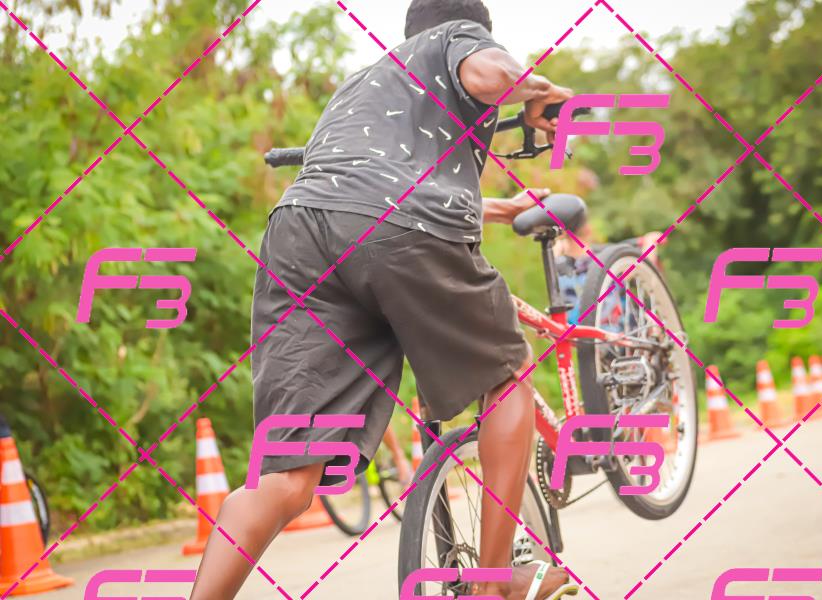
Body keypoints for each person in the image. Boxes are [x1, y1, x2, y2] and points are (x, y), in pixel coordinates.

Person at [190, 1, 577, 598]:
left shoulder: (362, 82)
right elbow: (490, 74)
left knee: (287, 476)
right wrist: (541, 93)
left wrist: (498, 208)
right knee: (508, 375)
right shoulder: (457, 37)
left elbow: (372, 188)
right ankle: (494, 581)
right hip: (396, 227)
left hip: (298, 234)